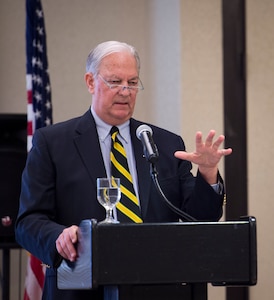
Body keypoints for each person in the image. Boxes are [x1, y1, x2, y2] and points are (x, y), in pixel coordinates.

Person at [15, 40, 232, 300]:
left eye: (132, 82)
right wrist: (59, 237)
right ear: (90, 82)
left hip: (158, 288)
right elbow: (28, 223)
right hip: (79, 288)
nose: (125, 91)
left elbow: (199, 218)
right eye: (115, 81)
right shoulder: (52, 143)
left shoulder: (164, 144)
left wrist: (207, 174)